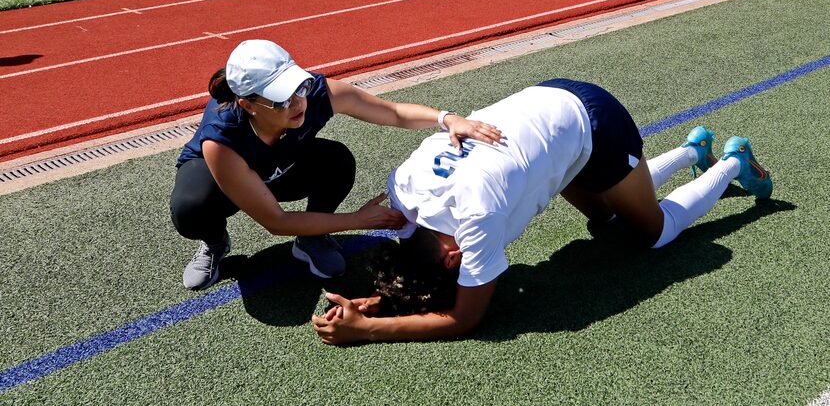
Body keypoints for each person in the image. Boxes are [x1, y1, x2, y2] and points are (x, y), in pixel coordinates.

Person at [311, 78, 773, 345]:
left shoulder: (477, 220)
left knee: (653, 233)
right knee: (606, 219)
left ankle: (734, 161)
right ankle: (694, 152)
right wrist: (386, 301)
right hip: (544, 105)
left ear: (453, 258)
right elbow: (419, 263)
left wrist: (371, 329)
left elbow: (467, 318)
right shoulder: (404, 190)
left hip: (595, 121)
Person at [171, 39, 502, 291]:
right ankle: (214, 243)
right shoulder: (221, 140)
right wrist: (356, 220)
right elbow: (276, 221)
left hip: (281, 168)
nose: (297, 101)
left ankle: (313, 239)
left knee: (337, 160)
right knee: (190, 209)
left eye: (297, 87)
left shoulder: (317, 94)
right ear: (248, 104)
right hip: (226, 182)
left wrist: (447, 119)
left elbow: (393, 113)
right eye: (280, 97)